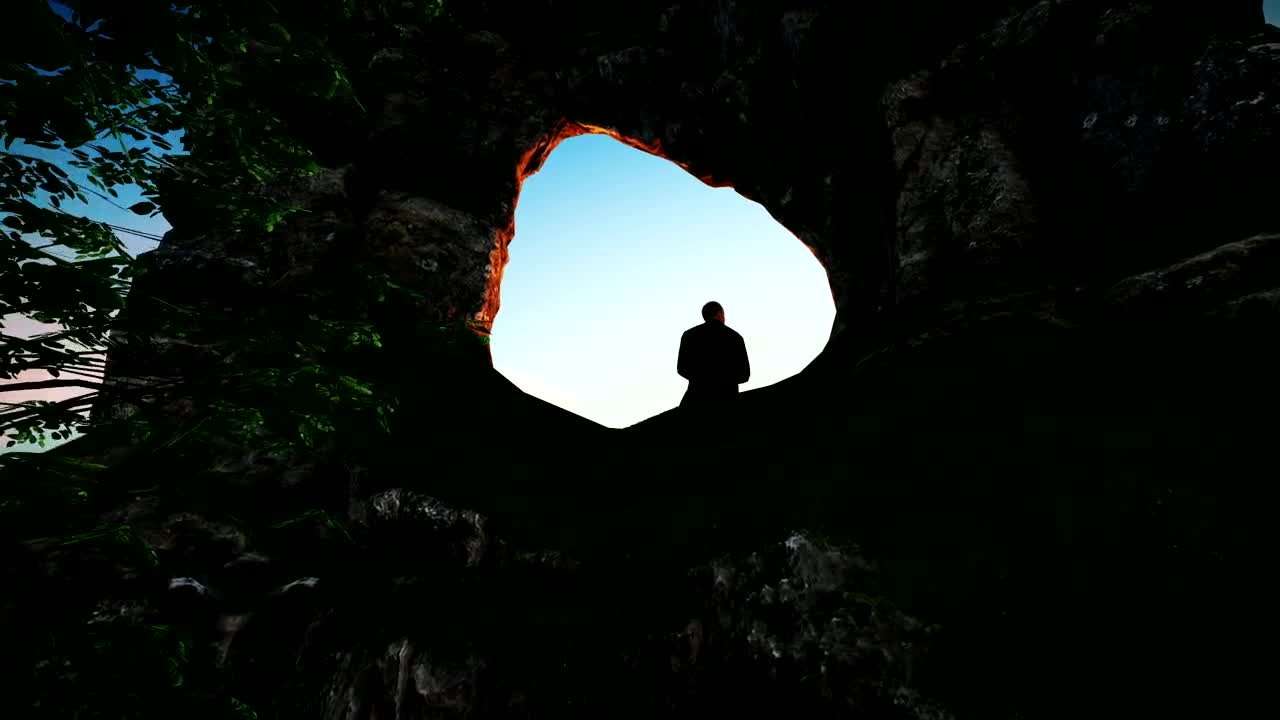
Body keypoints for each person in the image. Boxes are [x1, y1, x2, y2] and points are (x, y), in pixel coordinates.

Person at [677, 301, 750, 409]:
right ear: (720, 313)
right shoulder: (735, 337)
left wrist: (701, 379)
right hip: (727, 398)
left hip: (696, 397)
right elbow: (744, 374)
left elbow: (681, 368)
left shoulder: (689, 335)